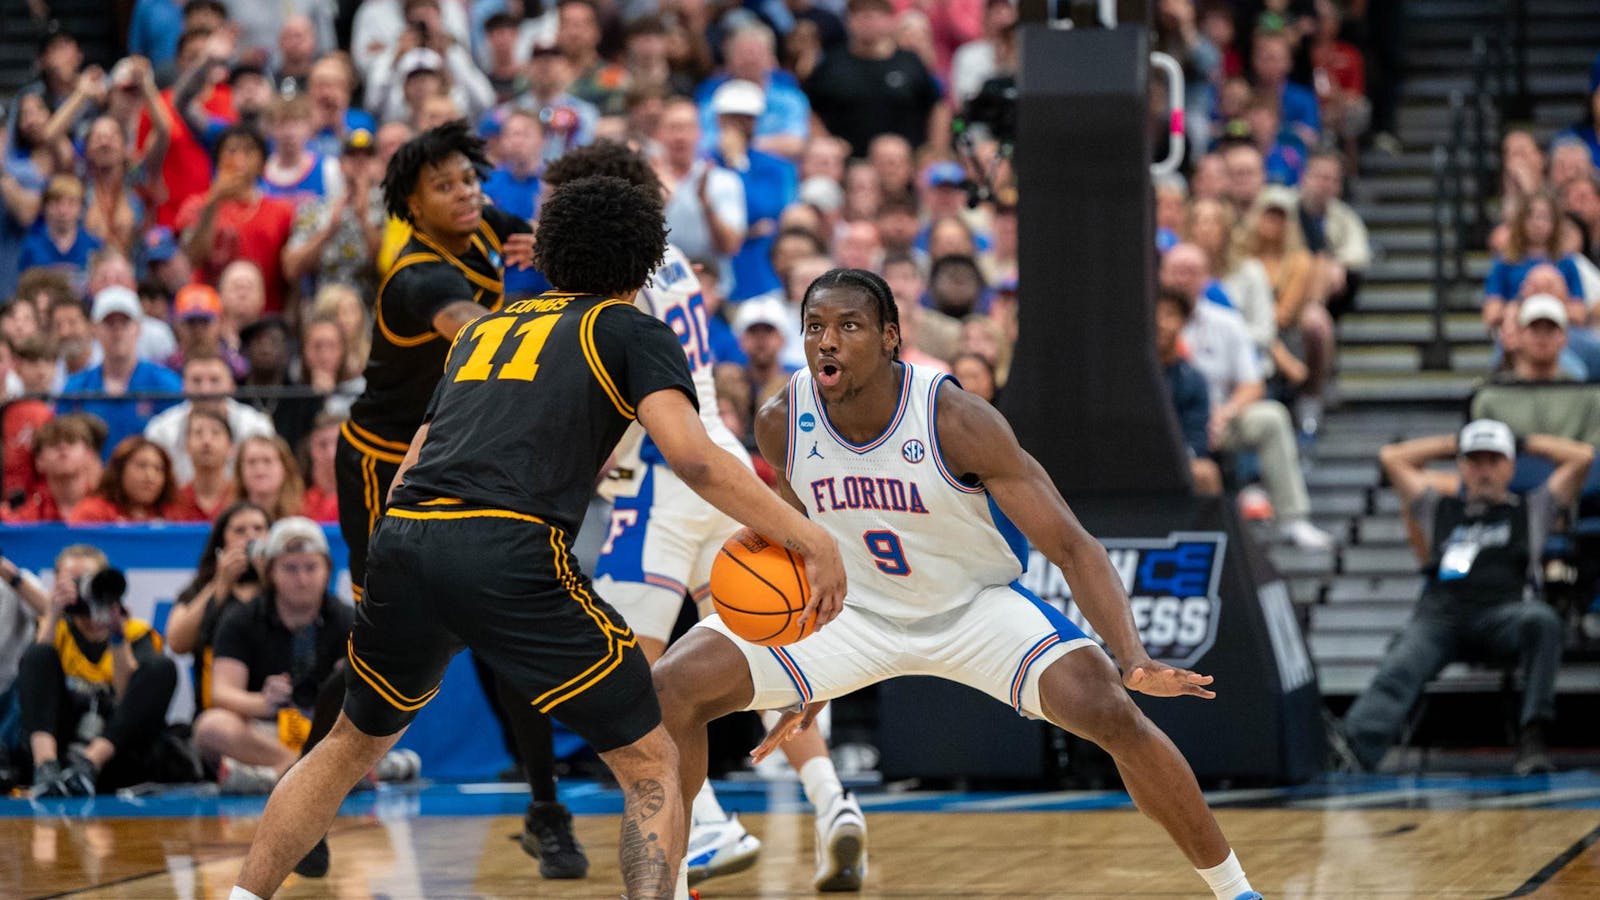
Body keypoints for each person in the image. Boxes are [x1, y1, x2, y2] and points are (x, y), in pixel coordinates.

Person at [231, 167, 847, 900]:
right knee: (651, 759)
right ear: (644, 261)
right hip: (508, 549)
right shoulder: (630, 329)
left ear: (550, 252)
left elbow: (408, 469)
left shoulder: (485, 330)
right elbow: (694, 458)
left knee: (344, 746)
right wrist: (810, 538)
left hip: (408, 538)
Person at [653, 267, 1261, 900]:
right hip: (853, 614)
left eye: (848, 326)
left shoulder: (957, 419)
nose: (826, 341)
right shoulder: (782, 419)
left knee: (1110, 710)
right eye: (814, 327)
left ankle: (1237, 891)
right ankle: (669, 888)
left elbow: (1073, 547)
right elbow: (798, 539)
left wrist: (1132, 657)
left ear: (890, 337)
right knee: (672, 686)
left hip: (974, 609)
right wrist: (810, 672)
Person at [524, 143, 857, 888]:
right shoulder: (668, 258)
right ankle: (834, 801)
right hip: (721, 458)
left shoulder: (612, 280)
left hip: (662, 474)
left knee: (626, 679)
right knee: (759, 648)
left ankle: (705, 825)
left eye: (554, 206)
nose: (545, 218)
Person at [1335, 421, 1594, 775]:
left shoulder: (1531, 509)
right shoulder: (1436, 508)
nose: (1484, 470)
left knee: (1543, 620)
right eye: (1474, 460)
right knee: (1403, 657)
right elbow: (1391, 458)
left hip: (1502, 616)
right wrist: (1454, 441)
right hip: (1441, 620)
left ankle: (1532, 736)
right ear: (1461, 466)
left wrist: (1522, 441)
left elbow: (1582, 457)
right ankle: (1353, 751)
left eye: (1494, 460)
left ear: (1510, 466)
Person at [1161, 243, 1335, 550]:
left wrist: (1225, 412)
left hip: (1219, 416)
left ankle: (1293, 518)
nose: (1182, 279)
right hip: (1165, 417)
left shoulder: (1227, 322)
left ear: (1207, 277)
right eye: (1176, 271)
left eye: (1191, 272)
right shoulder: (1145, 323)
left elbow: (1252, 383)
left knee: (1272, 417)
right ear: (1162, 275)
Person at [196, 517, 358, 794]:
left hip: (323, 731)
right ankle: (302, 769)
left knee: (372, 728)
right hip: (264, 732)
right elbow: (221, 693)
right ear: (270, 571)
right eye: (290, 568)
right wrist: (263, 702)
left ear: (327, 570)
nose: (302, 579)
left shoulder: (346, 619)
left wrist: (339, 692)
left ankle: (276, 774)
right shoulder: (241, 619)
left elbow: (367, 699)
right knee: (211, 727)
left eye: (310, 567)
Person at [20, 544, 179, 797]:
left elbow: (127, 697)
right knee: (37, 654)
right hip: (61, 738)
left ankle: (88, 765)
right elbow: (35, 681)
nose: (82, 591)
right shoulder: (53, 629)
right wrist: (53, 612)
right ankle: (45, 768)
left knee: (162, 667)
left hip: (112, 747)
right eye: (73, 582)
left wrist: (116, 634)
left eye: (88, 581)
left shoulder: (135, 632)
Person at [176, 125, 297, 316]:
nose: (239, 159)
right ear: (218, 160)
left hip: (265, 314)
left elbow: (291, 275)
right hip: (209, 315)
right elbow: (192, 258)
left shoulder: (282, 212)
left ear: (263, 163)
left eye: (248, 151)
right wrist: (213, 203)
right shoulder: (196, 206)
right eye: (231, 151)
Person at [165, 501, 271, 709]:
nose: (251, 537)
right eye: (240, 531)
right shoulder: (201, 587)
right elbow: (177, 642)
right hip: (216, 709)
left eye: (259, 529)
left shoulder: (284, 587)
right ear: (222, 542)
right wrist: (219, 584)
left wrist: (269, 577)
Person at [804, 0, 945, 157]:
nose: (868, 22)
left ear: (890, 20)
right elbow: (808, 107)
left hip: (905, 161)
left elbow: (938, 107)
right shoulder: (831, 63)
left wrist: (935, 151)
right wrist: (825, 143)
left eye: (875, 15)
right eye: (860, 15)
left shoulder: (910, 62)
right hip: (846, 161)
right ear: (848, 21)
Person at [57, 287, 183, 459]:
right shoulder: (75, 387)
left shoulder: (167, 384)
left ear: (138, 328)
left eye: (125, 323)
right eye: (109, 323)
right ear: (94, 330)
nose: (117, 331)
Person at [145, 354, 277, 484]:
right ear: (183, 386)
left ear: (231, 385)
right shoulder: (160, 429)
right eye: (196, 381)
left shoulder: (257, 427)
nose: (205, 390)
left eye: (214, 380)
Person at [1156, 288, 1223, 496]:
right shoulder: (1125, 373)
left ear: (1183, 322)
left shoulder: (1193, 379)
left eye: (1169, 315)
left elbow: (1196, 439)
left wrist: (1175, 459)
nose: (1160, 323)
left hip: (1177, 457)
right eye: (1155, 314)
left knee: (1206, 472)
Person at [3, 414, 104, 523]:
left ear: (89, 454)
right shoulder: (26, 517)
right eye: (53, 443)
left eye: (71, 441)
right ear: (39, 461)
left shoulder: (109, 509)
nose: (63, 447)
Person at [68, 435, 181, 524]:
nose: (150, 476)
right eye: (141, 466)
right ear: (120, 470)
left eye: (158, 469)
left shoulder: (174, 515)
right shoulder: (92, 513)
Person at [170, 407, 240, 522]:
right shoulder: (173, 500)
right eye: (198, 433)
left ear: (231, 447)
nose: (206, 441)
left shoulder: (242, 498)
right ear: (186, 446)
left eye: (215, 433)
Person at [235, 435, 304, 521]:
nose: (259, 468)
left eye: (267, 461)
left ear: (285, 468)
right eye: (251, 462)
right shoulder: (230, 518)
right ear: (240, 470)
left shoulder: (303, 514)